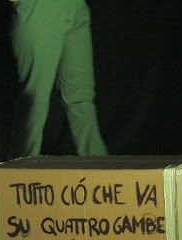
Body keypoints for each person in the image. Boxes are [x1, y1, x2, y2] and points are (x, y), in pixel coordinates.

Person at [8, 0, 108, 157]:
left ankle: (99, 167)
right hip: (40, 8)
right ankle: (20, 169)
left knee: (81, 99)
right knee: (36, 98)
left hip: (75, 7)